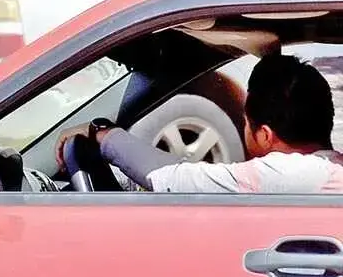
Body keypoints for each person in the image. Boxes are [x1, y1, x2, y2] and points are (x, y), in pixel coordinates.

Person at [58, 54, 343, 193]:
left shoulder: (288, 175)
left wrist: (101, 133)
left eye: (245, 122)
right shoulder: (326, 170)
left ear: (265, 135)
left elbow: (169, 178)